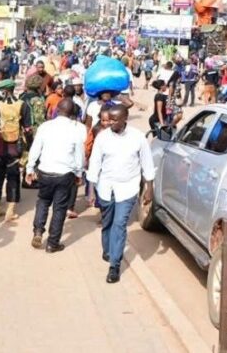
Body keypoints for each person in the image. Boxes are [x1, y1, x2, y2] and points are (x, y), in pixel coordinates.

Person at [87, 105, 155, 283]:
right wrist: (91, 189)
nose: (110, 123)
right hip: (105, 187)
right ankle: (108, 249)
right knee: (108, 222)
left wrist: (149, 188)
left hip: (128, 187)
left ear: (125, 118)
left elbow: (147, 162)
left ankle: (114, 266)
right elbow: (95, 163)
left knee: (119, 224)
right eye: (109, 119)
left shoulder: (137, 137)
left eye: (114, 120)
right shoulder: (102, 137)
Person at [25, 99, 86, 253]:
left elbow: (35, 148)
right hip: (65, 174)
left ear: (57, 110)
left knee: (43, 201)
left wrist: (30, 169)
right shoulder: (76, 130)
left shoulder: (45, 126)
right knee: (60, 208)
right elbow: (80, 155)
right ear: (72, 113)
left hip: (45, 171)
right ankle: (52, 243)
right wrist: (79, 173)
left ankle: (38, 230)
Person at [0, 79, 31, 219]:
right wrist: (28, 147)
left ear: (4, 91)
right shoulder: (23, 105)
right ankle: (10, 211)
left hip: (0, 146)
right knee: (13, 177)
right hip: (15, 147)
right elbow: (28, 129)